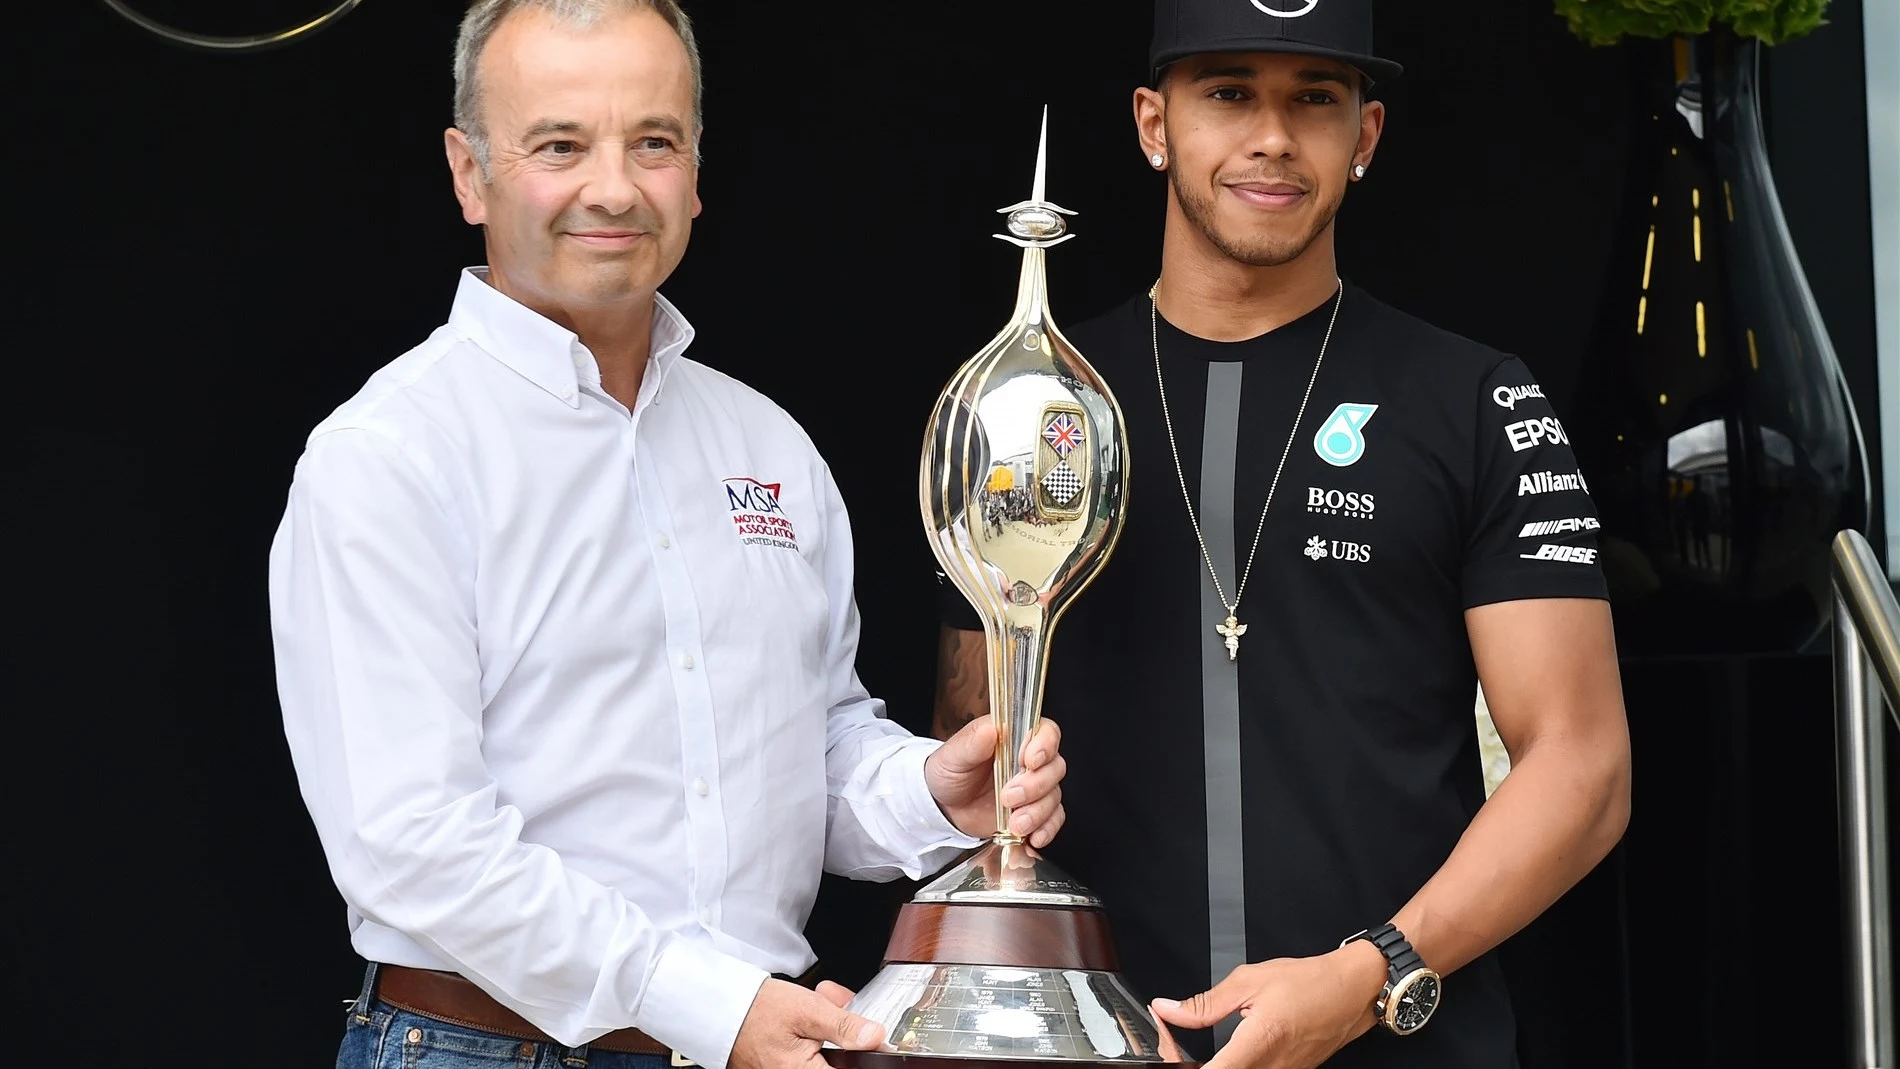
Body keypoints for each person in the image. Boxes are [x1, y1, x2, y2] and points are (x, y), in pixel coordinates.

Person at [266, 4, 1069, 1069]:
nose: (613, 187)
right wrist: (706, 1005)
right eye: (559, 145)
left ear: (695, 171)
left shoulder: (767, 443)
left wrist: (930, 793)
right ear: (470, 175)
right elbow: (412, 843)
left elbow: (812, 749)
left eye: (654, 141)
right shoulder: (390, 457)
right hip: (482, 1049)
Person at [931, 2, 1632, 1067]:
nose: (1271, 136)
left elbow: (1581, 770)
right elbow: (971, 746)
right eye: (1227, 92)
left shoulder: (1476, 399)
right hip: (1098, 1044)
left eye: (1314, 98)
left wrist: (1368, 974)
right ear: (1152, 123)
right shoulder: (1034, 406)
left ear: (1367, 135)